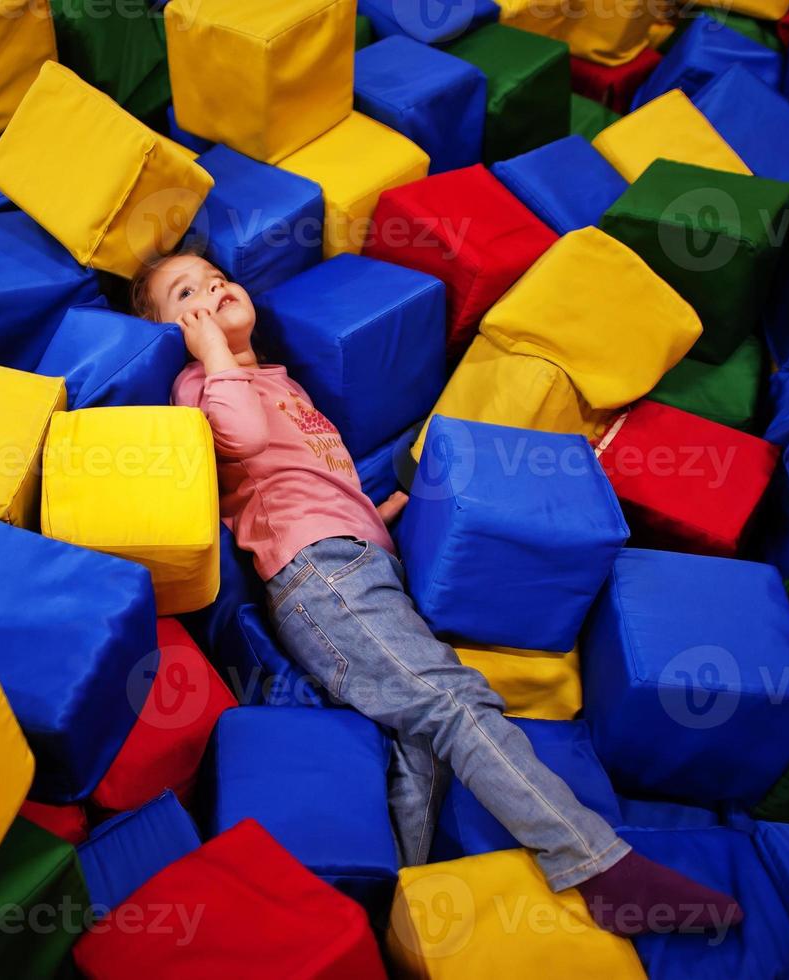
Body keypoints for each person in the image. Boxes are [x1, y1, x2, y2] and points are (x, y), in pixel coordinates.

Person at [131, 249, 743, 936]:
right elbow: (239, 438)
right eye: (186, 292)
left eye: (214, 274)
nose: (211, 286)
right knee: (454, 704)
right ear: (174, 330)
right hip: (318, 576)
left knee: (418, 742)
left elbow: (301, 474)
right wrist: (210, 349)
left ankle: (399, 911)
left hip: (353, 561)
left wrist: (378, 513)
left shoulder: (274, 379)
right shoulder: (199, 384)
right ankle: (595, 863)